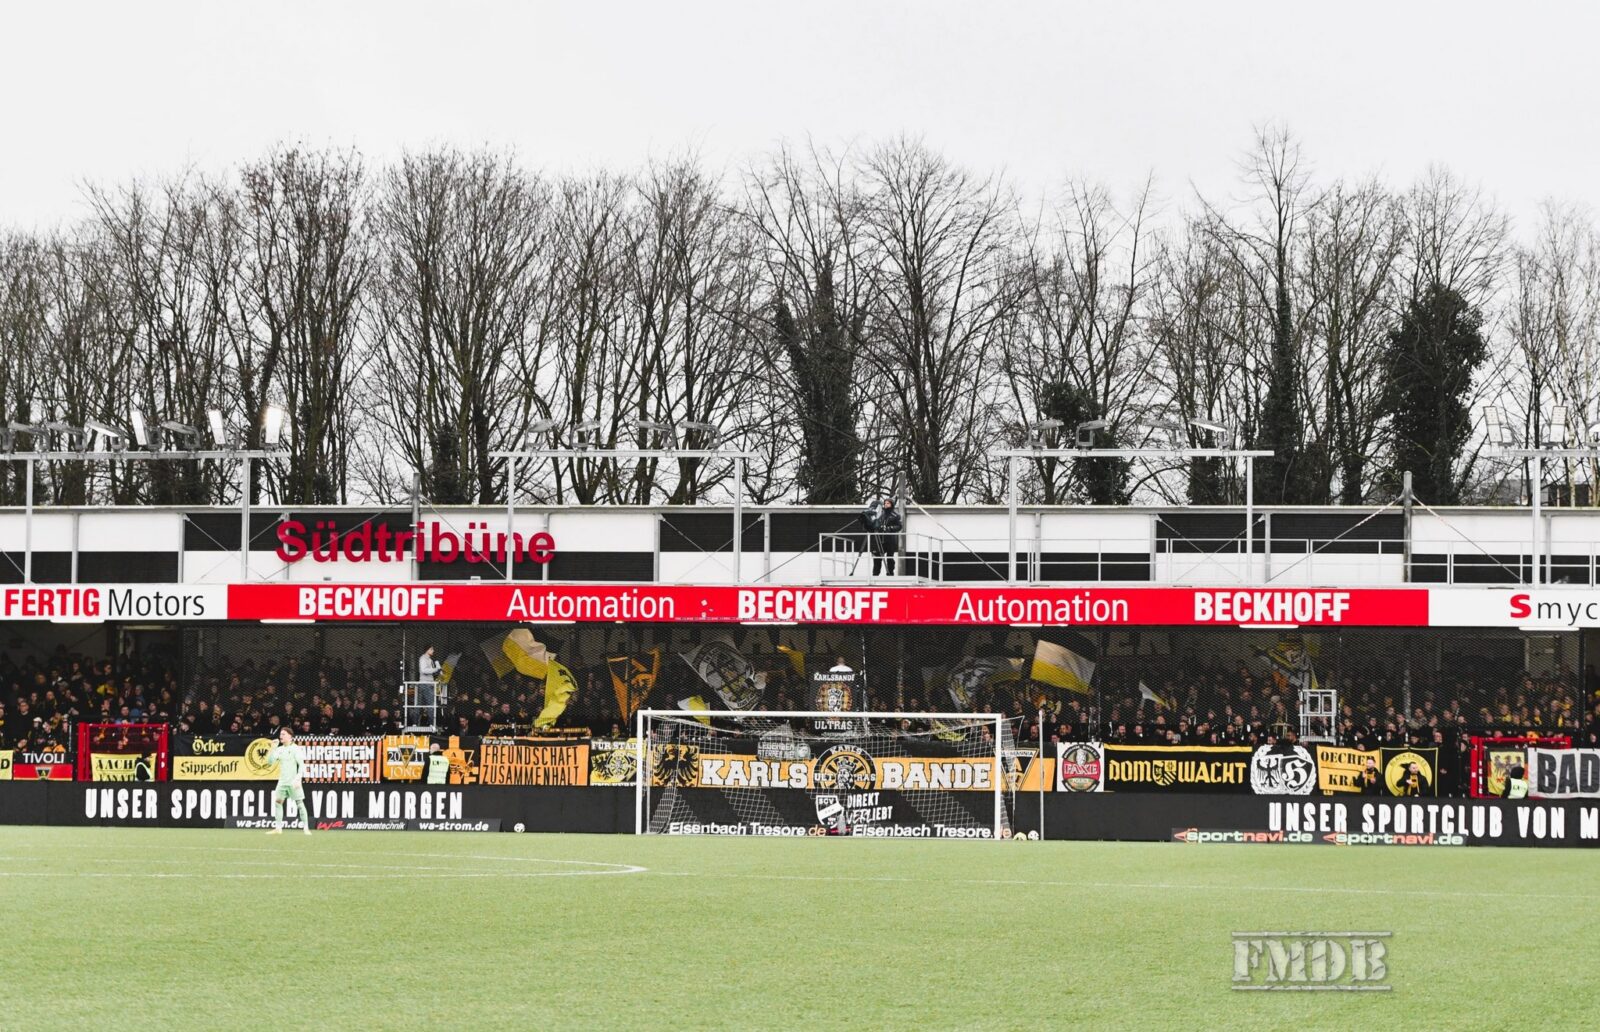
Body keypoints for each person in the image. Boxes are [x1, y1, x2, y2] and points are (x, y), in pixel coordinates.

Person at [266, 728, 312, 835]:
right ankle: (278, 828)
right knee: (278, 803)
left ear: (290, 736)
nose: (281, 736)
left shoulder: (296, 749)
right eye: (280, 734)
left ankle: (306, 828)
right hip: (282, 782)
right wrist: (273, 748)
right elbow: (269, 762)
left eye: (283, 734)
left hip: (293, 781)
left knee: (300, 804)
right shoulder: (279, 749)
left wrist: (298, 778)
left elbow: (301, 764)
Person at [860, 498, 902, 576]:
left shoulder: (896, 515)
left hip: (890, 540)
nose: (886, 504)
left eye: (888, 503)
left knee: (890, 558)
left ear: (892, 505)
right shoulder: (879, 513)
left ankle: (890, 574)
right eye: (885, 503)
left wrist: (889, 528)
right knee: (877, 558)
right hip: (879, 539)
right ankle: (875, 575)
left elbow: (899, 526)